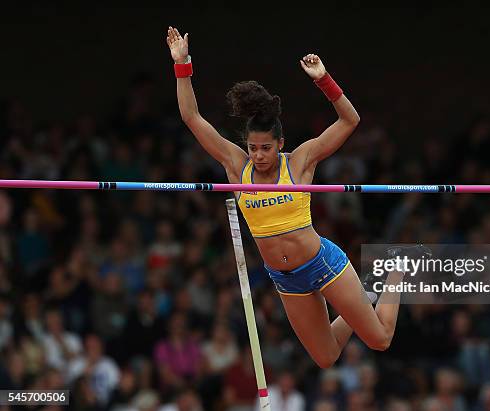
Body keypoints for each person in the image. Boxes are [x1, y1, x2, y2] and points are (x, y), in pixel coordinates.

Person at [166, 26, 429, 368]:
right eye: (252, 148)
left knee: (380, 339)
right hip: (287, 279)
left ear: (280, 144)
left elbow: (350, 120)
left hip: (322, 264)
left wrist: (324, 80)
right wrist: (182, 63)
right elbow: (191, 117)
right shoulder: (236, 166)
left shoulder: (301, 162)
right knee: (326, 357)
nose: (258, 155)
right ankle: (365, 294)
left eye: (265, 148)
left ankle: (395, 268)